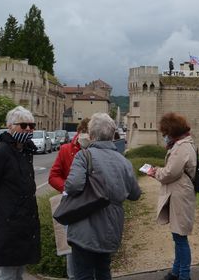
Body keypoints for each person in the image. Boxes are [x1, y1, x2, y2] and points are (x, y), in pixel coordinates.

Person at [65, 113, 141, 279]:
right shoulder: (124, 162)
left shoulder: (84, 156)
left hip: (85, 224)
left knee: (83, 274)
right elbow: (135, 194)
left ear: (91, 136)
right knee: (103, 271)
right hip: (110, 227)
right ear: (113, 135)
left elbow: (73, 185)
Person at [0, 106, 41, 280]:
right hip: (7, 225)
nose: (28, 129)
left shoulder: (25, 152)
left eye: (31, 126)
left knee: (18, 272)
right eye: (23, 125)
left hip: (23, 225)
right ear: (10, 126)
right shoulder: (1, 153)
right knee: (8, 274)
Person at [146, 112, 198, 280]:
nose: (165, 136)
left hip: (180, 196)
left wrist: (155, 172)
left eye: (166, 133)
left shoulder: (182, 147)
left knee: (180, 238)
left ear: (172, 131)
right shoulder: (183, 145)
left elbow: (171, 172)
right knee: (178, 235)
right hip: (179, 194)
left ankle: (184, 275)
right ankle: (177, 271)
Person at [49, 118, 90, 279]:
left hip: (92, 206)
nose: (86, 136)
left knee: (91, 251)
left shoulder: (97, 150)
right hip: (71, 206)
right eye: (84, 132)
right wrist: (67, 188)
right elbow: (53, 176)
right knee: (71, 251)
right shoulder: (66, 149)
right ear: (80, 132)